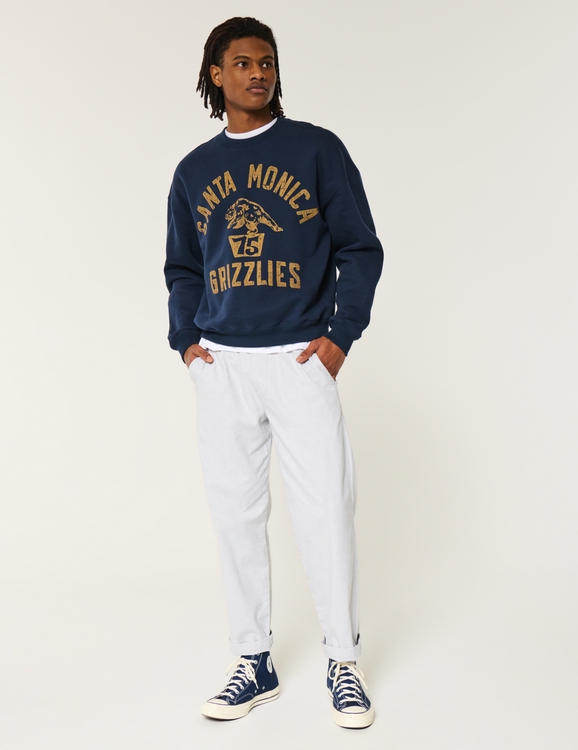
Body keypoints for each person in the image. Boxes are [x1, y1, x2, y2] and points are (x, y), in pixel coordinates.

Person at [164, 16, 383, 729]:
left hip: (299, 358)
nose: (258, 72)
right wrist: (186, 343)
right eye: (242, 63)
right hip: (222, 363)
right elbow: (182, 267)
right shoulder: (194, 170)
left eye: (267, 62)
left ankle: (343, 660)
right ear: (216, 75)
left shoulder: (316, 149)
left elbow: (360, 247)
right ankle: (252, 660)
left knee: (326, 509)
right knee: (235, 514)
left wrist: (340, 337)